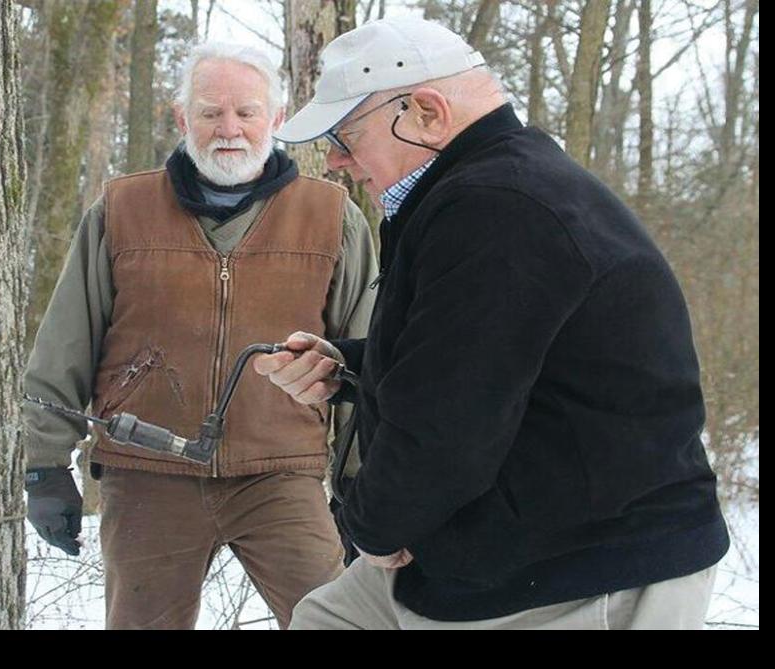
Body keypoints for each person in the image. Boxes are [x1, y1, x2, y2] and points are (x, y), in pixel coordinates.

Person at [254, 16, 729, 630]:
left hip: (586, 569)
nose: (338, 161)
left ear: (426, 112)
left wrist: (375, 524)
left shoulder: (500, 208)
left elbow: (450, 416)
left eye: (347, 136)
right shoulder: (486, 190)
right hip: (492, 554)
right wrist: (349, 364)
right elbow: (483, 355)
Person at [22, 41, 379, 629]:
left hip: (280, 475)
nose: (229, 129)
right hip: (148, 475)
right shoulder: (122, 209)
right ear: (182, 117)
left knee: (339, 621)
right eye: (211, 112)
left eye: (247, 112)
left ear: (278, 119)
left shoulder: (331, 215)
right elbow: (66, 343)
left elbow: (366, 358)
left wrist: (362, 483)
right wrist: (44, 464)